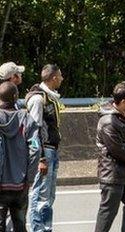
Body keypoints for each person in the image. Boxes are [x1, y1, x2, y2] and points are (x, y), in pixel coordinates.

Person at [94, 82, 125, 232]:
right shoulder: (109, 121)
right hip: (113, 173)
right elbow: (118, 150)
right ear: (123, 101)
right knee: (108, 212)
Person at [26, 64, 64, 232]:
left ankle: (46, 228)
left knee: (49, 195)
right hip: (45, 152)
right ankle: (38, 229)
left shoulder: (50, 97)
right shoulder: (38, 99)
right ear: (53, 78)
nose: (62, 79)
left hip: (52, 150)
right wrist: (40, 157)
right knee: (40, 194)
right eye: (60, 76)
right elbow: (34, 130)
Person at [0, 82, 40, 232]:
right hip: (20, 185)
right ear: (16, 97)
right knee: (20, 225)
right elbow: (35, 149)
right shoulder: (27, 120)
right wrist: (29, 178)